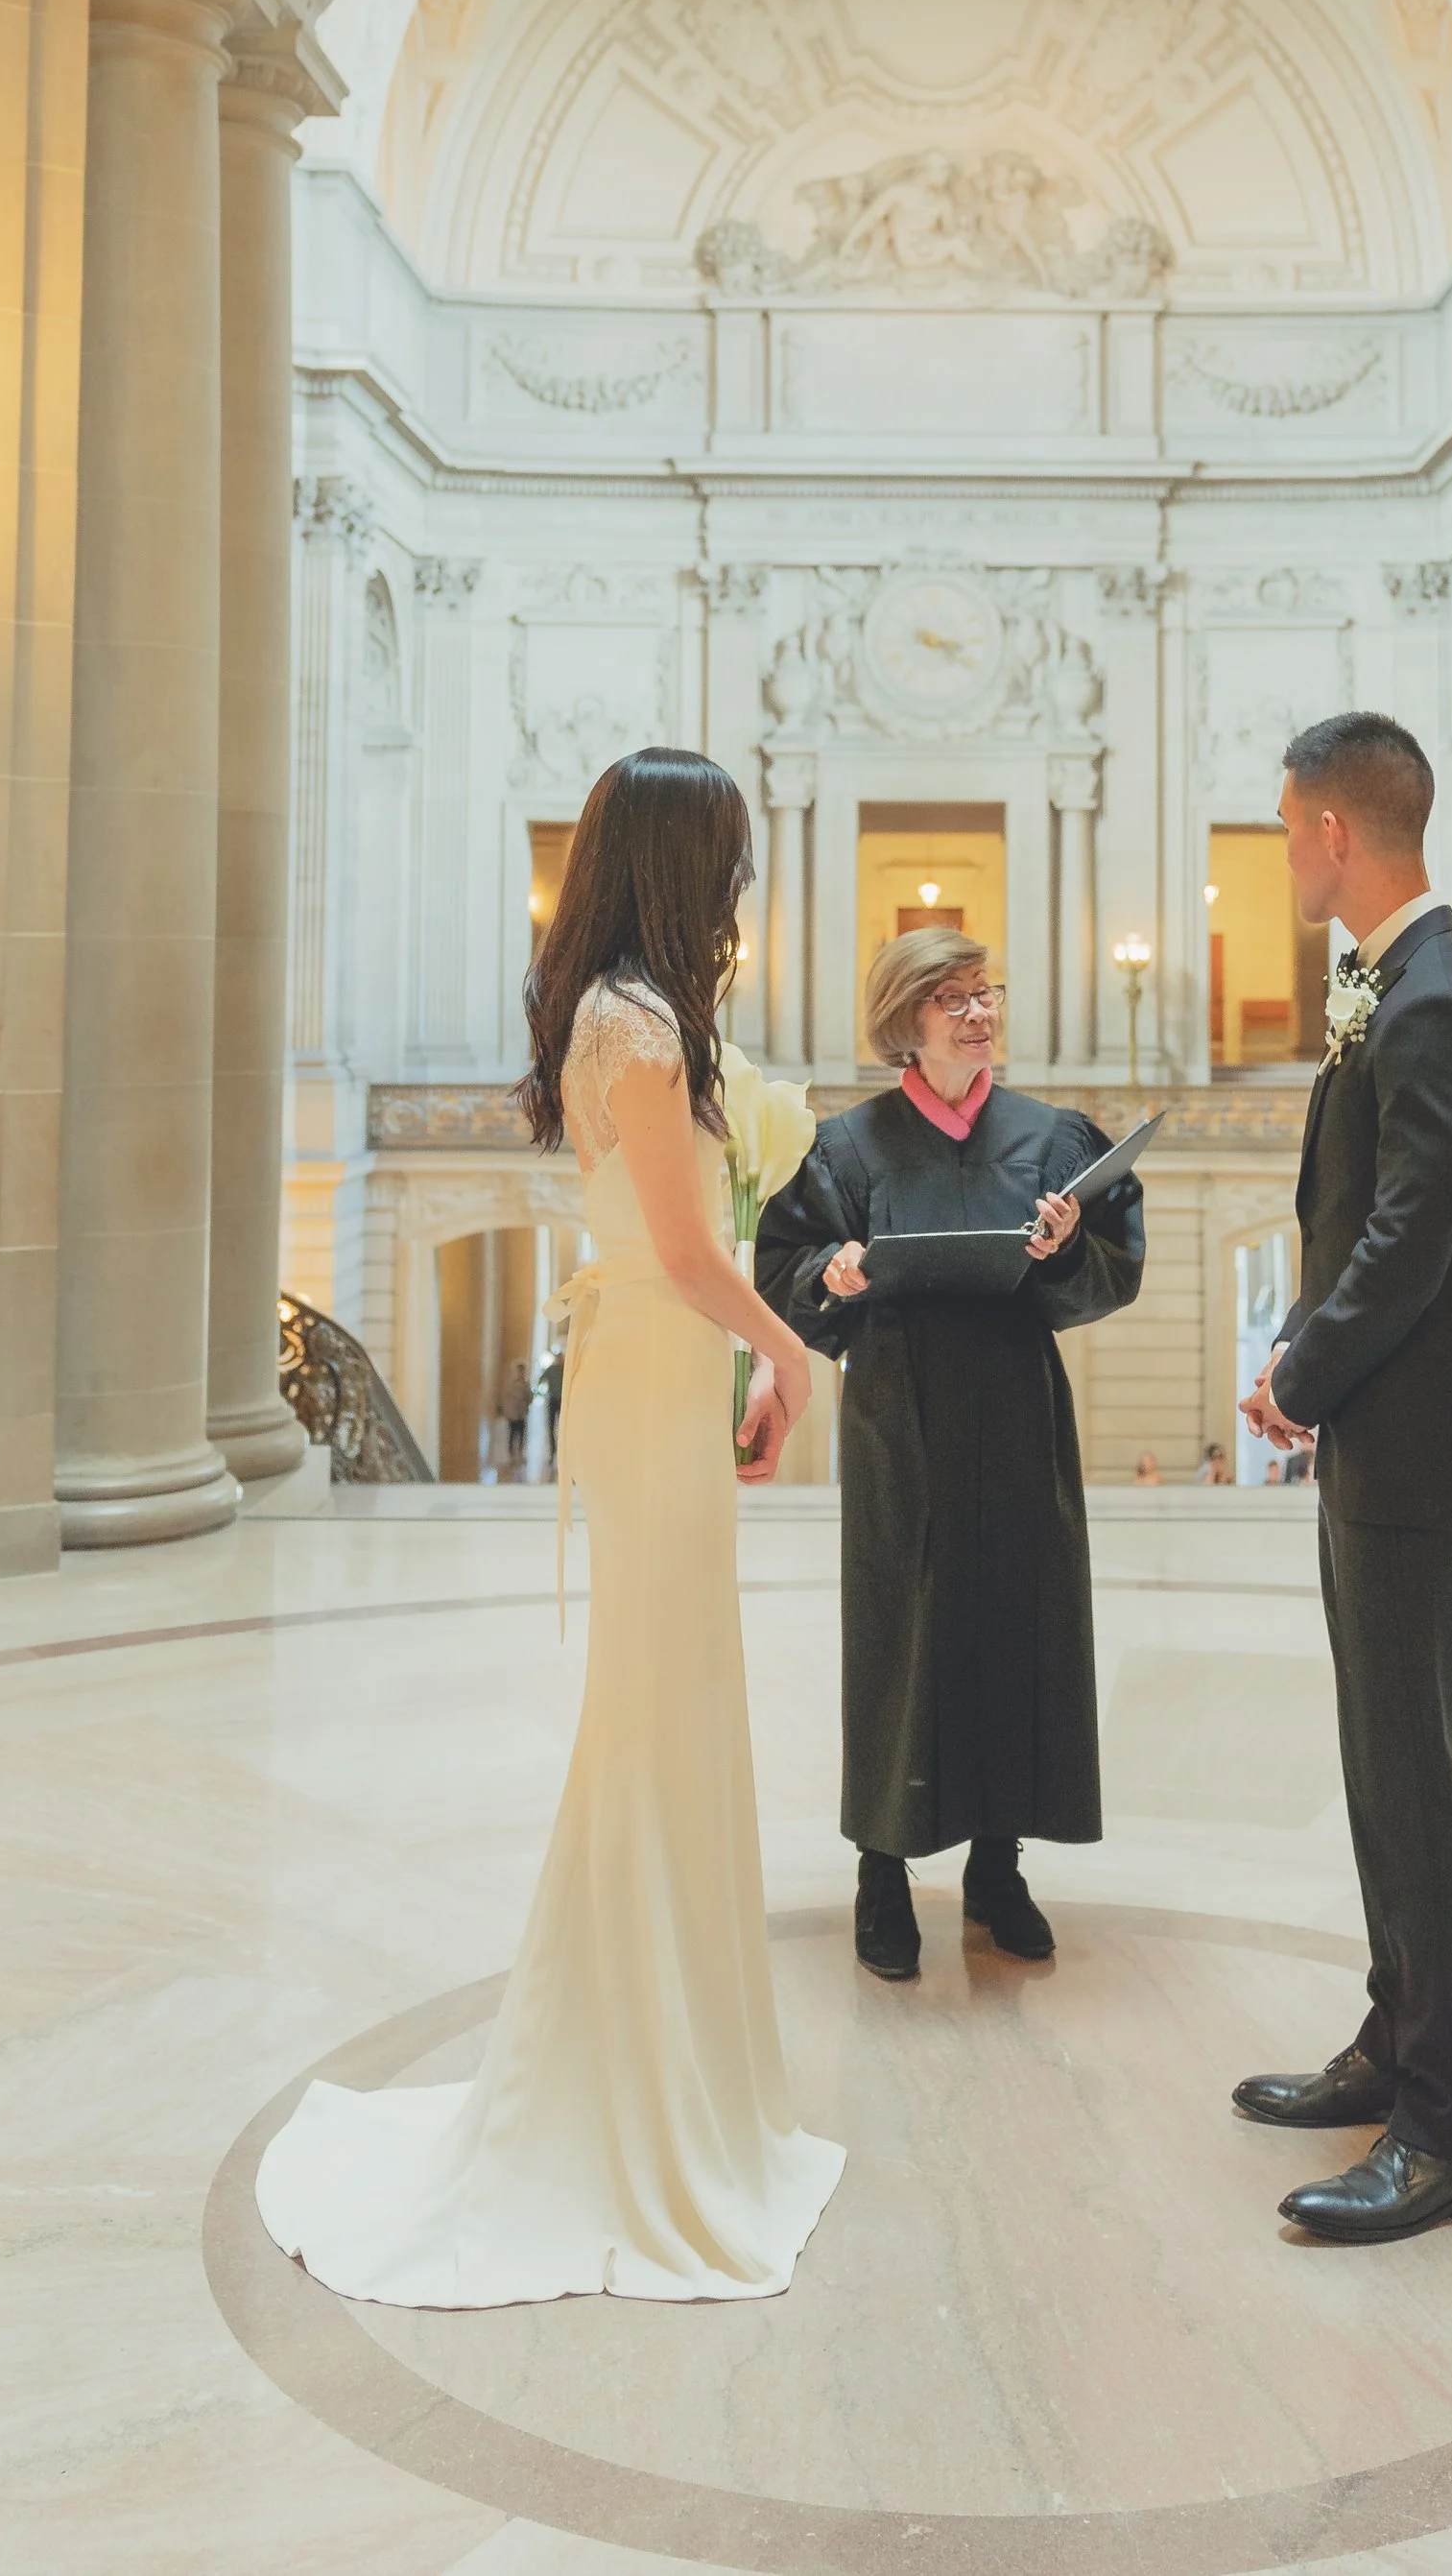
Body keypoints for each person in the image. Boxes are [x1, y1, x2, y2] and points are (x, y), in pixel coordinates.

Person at [256, 749, 843, 2306]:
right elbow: (677, 1239)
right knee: (653, 1719)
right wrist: (784, 1347)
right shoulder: (631, 1024)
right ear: (675, 861)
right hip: (654, 1367)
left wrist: (750, 1354)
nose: (740, 886)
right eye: (725, 855)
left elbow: (686, 1241)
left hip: (663, 1366)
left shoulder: (630, 1014)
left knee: (676, 1711)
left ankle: (674, 2063)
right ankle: (626, 2084)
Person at [1233, 711, 1452, 2247]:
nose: (1284, 850)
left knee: (1415, 1786)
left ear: (1337, 832)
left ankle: (1447, 2127)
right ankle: (1393, 2038)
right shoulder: (1401, 986)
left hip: (1410, 1452)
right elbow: (1359, 1225)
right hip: (1383, 1440)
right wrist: (1303, 1348)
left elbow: (1410, 1246)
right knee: (1381, 1768)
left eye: (1287, 826)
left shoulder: (1435, 1004)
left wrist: (1300, 1374)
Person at [757, 924, 1144, 1980]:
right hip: (900, 1422)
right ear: (906, 1022)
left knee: (1017, 1626)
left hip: (1019, 1408)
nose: (980, 1014)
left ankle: (997, 1869)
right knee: (903, 1636)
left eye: (987, 993)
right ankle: (881, 1874)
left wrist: (1068, 1248)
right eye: (955, 1000)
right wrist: (827, 1281)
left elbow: (1113, 1266)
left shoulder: (1053, 1137)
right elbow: (786, 1269)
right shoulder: (849, 1148)